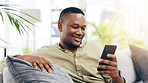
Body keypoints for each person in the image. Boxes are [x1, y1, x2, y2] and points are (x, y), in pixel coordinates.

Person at [0, 7, 125, 83]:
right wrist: (25, 57)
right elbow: (3, 64)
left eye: (83, 28)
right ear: (60, 26)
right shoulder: (45, 53)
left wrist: (116, 76)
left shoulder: (97, 49)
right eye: (75, 27)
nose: (80, 33)